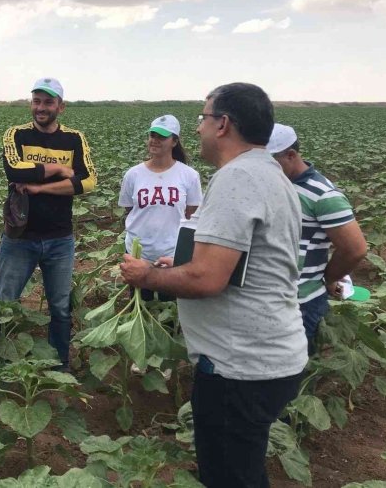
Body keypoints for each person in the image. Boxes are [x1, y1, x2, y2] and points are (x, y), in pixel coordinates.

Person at [120, 83, 308, 487]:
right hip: (264, 357)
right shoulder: (270, 173)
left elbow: (208, 279)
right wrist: (184, 261)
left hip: (240, 366)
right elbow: (241, 262)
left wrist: (147, 275)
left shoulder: (237, 177)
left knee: (230, 476)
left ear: (223, 124)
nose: (200, 128)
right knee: (242, 468)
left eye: (203, 118)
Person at [0, 77, 97, 370]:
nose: (40, 107)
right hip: (20, 236)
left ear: (60, 107)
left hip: (60, 238)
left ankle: (59, 365)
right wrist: (60, 170)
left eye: (48, 102)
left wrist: (39, 187)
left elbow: (88, 181)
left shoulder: (74, 138)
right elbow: (13, 169)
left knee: (60, 308)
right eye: (36, 100)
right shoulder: (17, 135)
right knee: (2, 304)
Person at [267, 123, 367, 354]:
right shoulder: (275, 184)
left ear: (290, 155)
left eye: (270, 162)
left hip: (301, 301)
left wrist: (327, 277)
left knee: (298, 370)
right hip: (268, 296)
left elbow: (355, 249)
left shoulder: (322, 194)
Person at [118, 114, 202, 302]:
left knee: (169, 311)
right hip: (139, 253)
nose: (155, 140)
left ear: (174, 141)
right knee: (139, 308)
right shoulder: (133, 174)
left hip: (171, 254)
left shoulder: (189, 176)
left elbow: (191, 215)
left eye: (162, 137)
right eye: (152, 135)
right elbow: (129, 211)